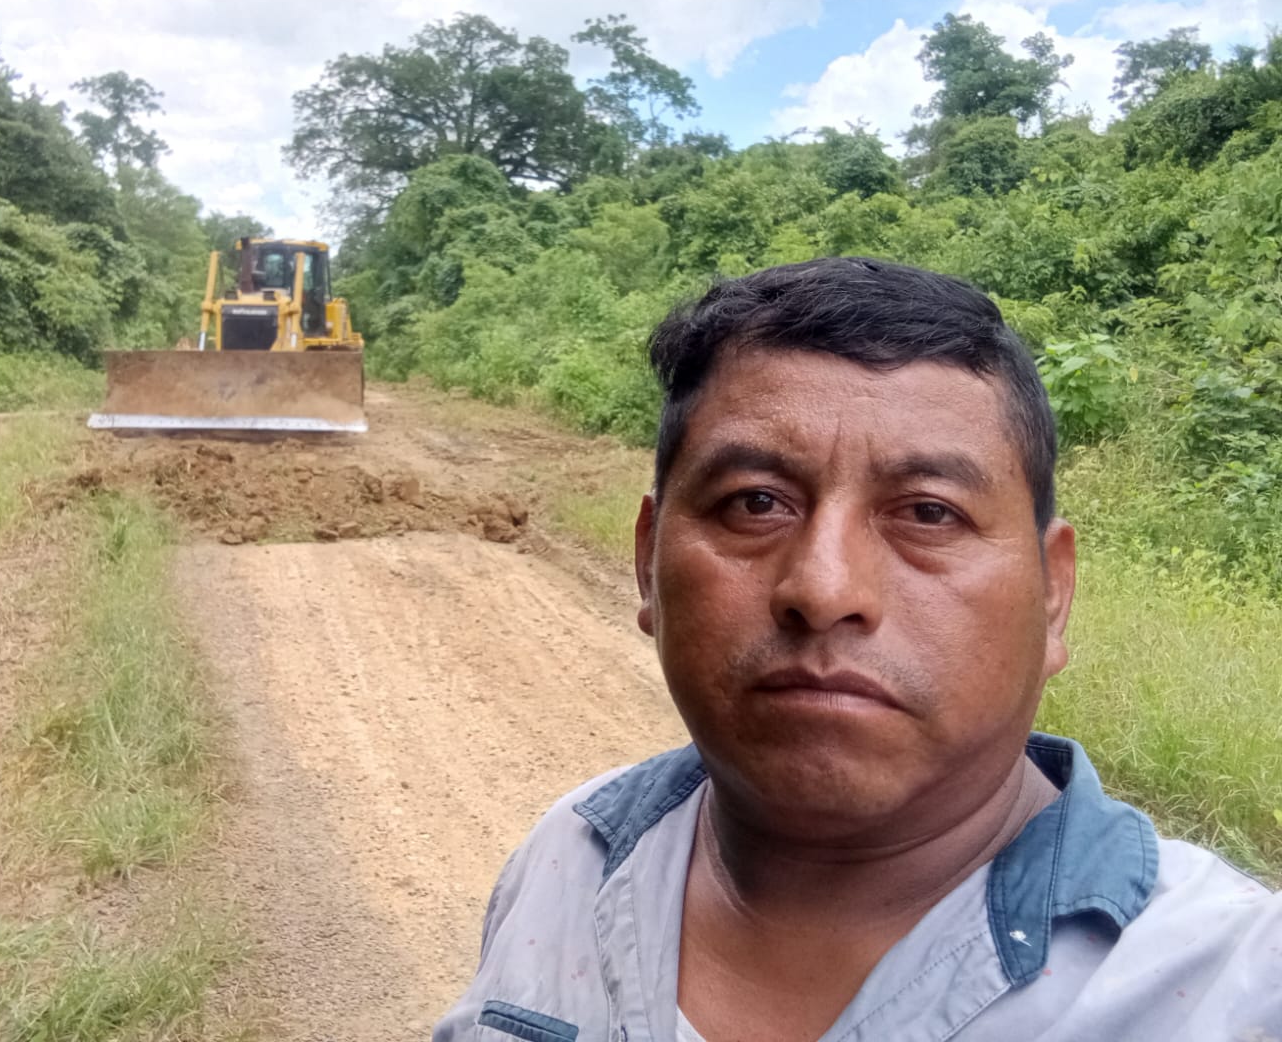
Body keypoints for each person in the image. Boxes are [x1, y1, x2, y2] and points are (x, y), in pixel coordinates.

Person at [434, 258, 1280, 1042]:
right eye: (755, 502)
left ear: (1053, 594)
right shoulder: (568, 857)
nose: (824, 587)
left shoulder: (1229, 986)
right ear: (648, 562)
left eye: (928, 513)